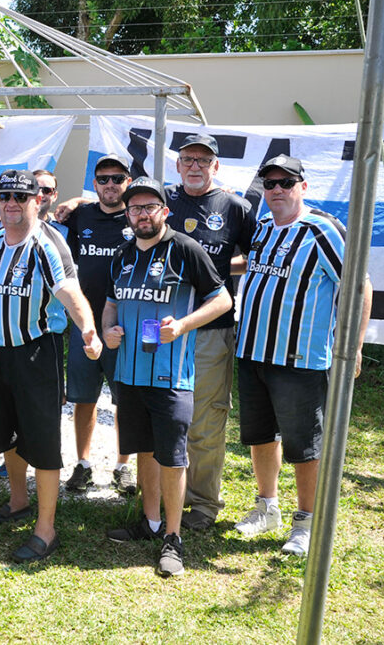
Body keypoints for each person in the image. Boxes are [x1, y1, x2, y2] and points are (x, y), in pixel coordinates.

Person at [233, 154, 371, 556]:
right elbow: (253, 265)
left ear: (303, 187)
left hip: (300, 359)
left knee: (305, 446)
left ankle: (307, 522)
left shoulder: (322, 230)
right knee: (261, 436)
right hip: (253, 352)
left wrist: (354, 345)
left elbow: (359, 285)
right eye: (270, 183)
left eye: (286, 182)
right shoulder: (263, 228)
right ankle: (267, 507)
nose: (277, 189)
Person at [0, 169, 102, 563]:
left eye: (21, 197)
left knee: (42, 441)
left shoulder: (47, 243)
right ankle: (17, 501)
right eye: (5, 196)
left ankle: (46, 529)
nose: (12, 203)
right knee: (6, 431)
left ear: (37, 200)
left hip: (36, 352)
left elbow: (70, 291)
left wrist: (89, 331)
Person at [101, 177, 231, 578]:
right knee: (144, 450)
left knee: (172, 458)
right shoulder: (122, 255)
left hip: (171, 376)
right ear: (127, 214)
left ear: (164, 211)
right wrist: (107, 331)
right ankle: (151, 522)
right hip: (129, 375)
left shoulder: (185, 249)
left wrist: (184, 325)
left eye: (149, 207)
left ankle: (173, 538)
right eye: (135, 208)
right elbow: (110, 304)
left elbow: (223, 300)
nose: (142, 214)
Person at [162, 134, 256, 531]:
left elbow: (252, 257)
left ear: (216, 166)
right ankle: (166, 496)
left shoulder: (236, 208)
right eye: (188, 159)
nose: (195, 166)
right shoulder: (163, 199)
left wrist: (213, 269)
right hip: (161, 328)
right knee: (164, 415)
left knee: (205, 421)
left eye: (203, 160)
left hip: (211, 330)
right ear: (178, 165)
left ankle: (202, 504)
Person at [60, 154, 136, 495]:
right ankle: (83, 463)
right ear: (94, 184)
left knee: (125, 399)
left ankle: (123, 466)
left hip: (125, 324)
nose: (110, 185)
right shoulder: (82, 215)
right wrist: (76, 201)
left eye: (117, 178)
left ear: (128, 182)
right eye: (103, 179)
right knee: (84, 398)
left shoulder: (137, 214)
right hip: (85, 322)